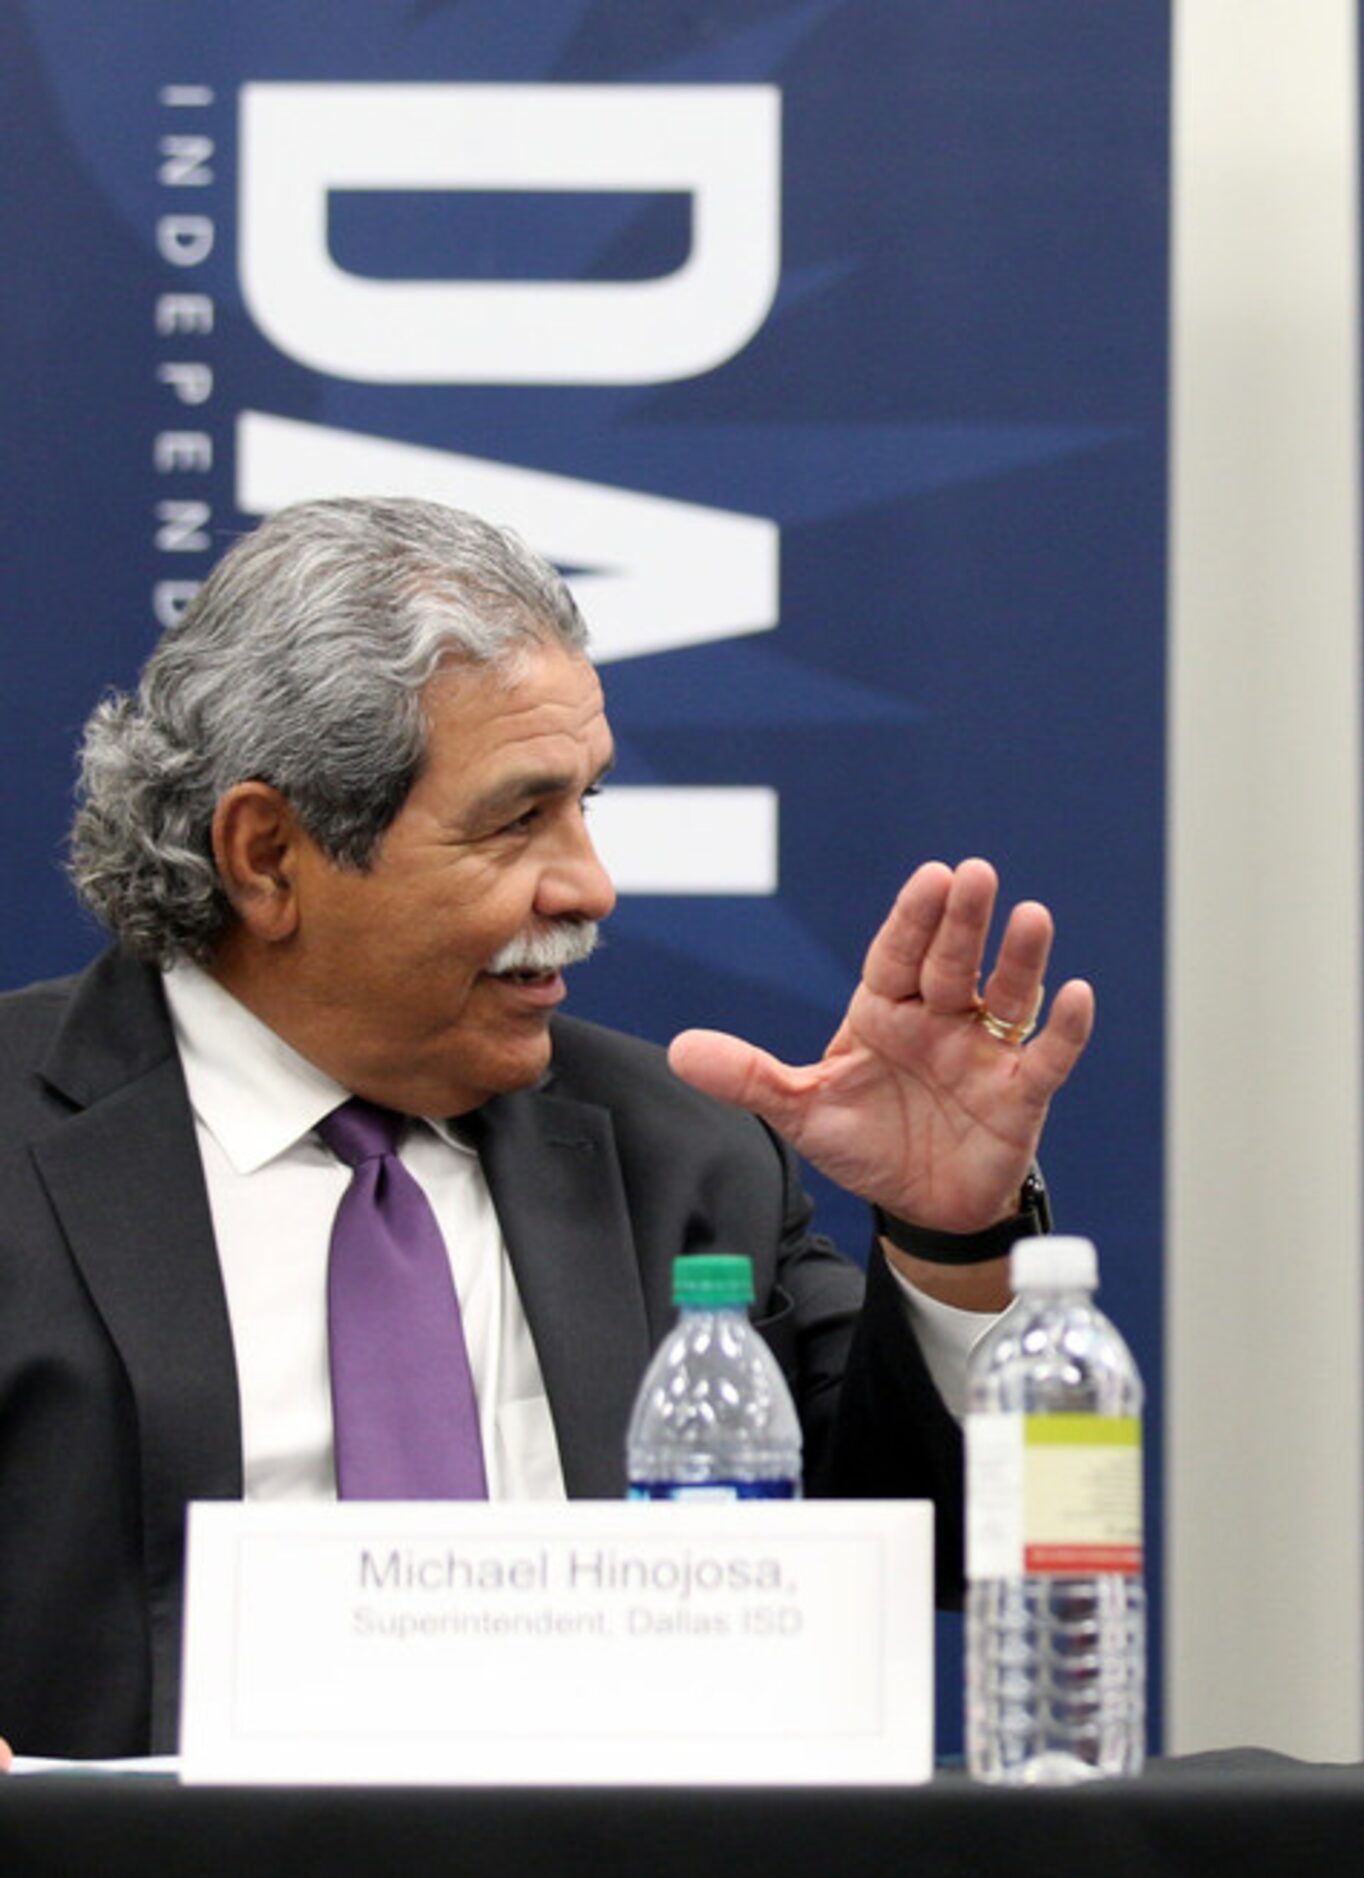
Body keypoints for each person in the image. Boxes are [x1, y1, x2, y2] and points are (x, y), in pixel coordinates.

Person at [0, 497, 1093, 1762]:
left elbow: (937, 1546)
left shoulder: (679, 1152)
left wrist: (949, 1238)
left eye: (586, 805)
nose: (589, 884)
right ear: (267, 856)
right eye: (518, 819)